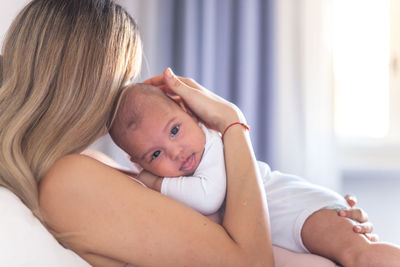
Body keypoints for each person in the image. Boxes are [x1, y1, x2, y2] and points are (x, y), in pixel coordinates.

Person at [0, 0, 379, 266]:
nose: (123, 96)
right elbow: (250, 262)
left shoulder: (86, 166)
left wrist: (314, 218)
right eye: (122, 78)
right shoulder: (69, 179)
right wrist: (231, 124)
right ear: (87, 82)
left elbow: (207, 216)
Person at [110, 82, 400, 266]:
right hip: (282, 230)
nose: (175, 151)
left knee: (359, 256)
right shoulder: (180, 181)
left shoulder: (211, 141)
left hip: (300, 209)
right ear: (138, 162)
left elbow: (208, 197)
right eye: (155, 154)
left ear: (190, 112)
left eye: (175, 130)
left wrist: (154, 181)